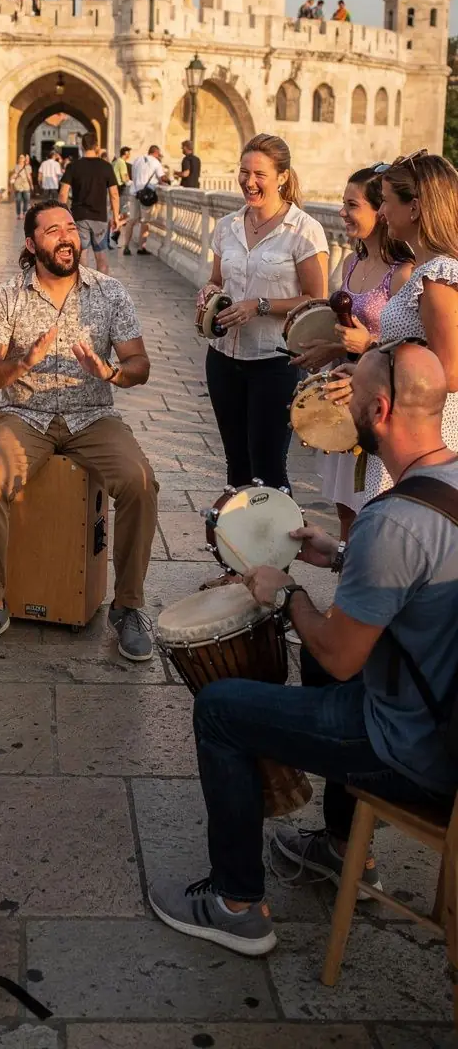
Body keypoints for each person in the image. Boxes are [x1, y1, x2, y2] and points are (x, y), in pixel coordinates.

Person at [148, 342, 458, 956]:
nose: (341, 410)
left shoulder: (390, 520)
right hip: (444, 711)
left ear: (380, 409)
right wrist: (341, 557)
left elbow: (343, 655)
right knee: (314, 658)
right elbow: (422, 580)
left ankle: (236, 903)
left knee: (221, 709)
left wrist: (287, 590)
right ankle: (345, 849)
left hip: (412, 750)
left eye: (351, 398)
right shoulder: (446, 483)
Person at [0, 200, 159, 663]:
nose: (67, 236)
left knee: (140, 482)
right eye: (53, 230)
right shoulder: (7, 296)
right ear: (31, 244)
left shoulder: (110, 293)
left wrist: (110, 372)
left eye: (70, 227)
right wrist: (21, 361)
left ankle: (128, 607)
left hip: (92, 414)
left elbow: (140, 365)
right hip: (24, 415)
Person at [198, 134, 328, 490]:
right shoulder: (228, 226)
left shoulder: (304, 231)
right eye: (243, 172)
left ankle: (276, 543)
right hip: (223, 359)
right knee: (236, 463)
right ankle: (236, 543)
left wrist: (260, 305)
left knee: (268, 467)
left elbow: (317, 299)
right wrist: (209, 292)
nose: (248, 182)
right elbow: (215, 279)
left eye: (259, 174)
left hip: (274, 362)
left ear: (282, 177)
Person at [294, 167, 414, 540]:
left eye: (351, 205)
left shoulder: (403, 274)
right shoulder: (351, 263)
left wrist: (366, 347)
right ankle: (344, 584)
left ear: (381, 211)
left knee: (373, 510)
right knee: (344, 508)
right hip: (343, 395)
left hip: (377, 402)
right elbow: (350, 333)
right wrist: (329, 348)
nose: (341, 213)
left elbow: (408, 346)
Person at [337, 153, 458, 502]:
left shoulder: (438, 276)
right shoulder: (427, 270)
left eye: (387, 202)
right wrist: (365, 369)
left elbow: (447, 373)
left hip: (418, 434)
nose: (383, 212)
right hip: (401, 425)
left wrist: (378, 375)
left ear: (415, 208)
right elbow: (416, 347)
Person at [58, 131, 120, 274]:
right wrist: (116, 216)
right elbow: (114, 194)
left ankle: (84, 288)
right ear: (97, 146)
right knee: (102, 256)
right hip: (100, 217)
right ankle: (101, 289)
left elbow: (63, 193)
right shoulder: (106, 167)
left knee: (81, 254)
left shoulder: (73, 166)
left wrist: (63, 213)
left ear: (82, 146)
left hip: (79, 216)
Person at [120, 145, 169, 256]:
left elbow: (133, 176)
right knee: (145, 221)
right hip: (146, 195)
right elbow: (162, 178)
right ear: (156, 153)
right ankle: (141, 248)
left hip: (134, 193)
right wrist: (167, 180)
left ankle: (126, 247)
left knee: (131, 220)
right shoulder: (156, 162)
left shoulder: (137, 160)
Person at [9, 154, 33, 221]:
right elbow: (13, 175)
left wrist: (31, 184)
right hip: (18, 185)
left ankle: (25, 213)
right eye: (20, 157)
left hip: (26, 185)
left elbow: (29, 177)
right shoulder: (16, 166)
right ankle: (19, 214)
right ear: (18, 159)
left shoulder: (28, 167)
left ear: (24, 159)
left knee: (26, 200)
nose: (21, 159)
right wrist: (11, 181)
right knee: (18, 200)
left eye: (22, 157)